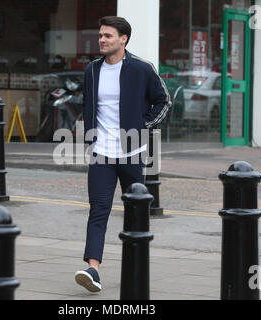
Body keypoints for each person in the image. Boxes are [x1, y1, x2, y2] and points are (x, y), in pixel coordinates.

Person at [74, 16, 171, 293]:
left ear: (123, 39)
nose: (102, 40)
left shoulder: (141, 69)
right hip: (101, 154)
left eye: (108, 36)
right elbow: (89, 103)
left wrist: (143, 126)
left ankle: (135, 262)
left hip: (132, 153)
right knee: (98, 211)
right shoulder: (92, 70)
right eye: (101, 35)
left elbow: (163, 100)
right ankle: (93, 268)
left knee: (135, 211)